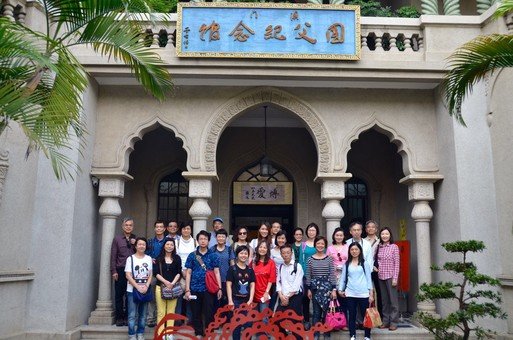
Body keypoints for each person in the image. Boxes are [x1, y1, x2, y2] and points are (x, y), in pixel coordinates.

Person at [184, 230, 222, 337]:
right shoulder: (192, 255)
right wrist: (187, 289)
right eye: (201, 239)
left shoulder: (213, 255)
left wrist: (219, 288)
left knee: (209, 313)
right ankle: (199, 333)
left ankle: (209, 333)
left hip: (208, 289)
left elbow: (217, 272)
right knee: (196, 313)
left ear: (209, 241)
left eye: (205, 239)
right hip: (194, 288)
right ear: (197, 241)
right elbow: (189, 272)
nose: (203, 241)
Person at [338, 242, 373, 340]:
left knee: (365, 316)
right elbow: (343, 278)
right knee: (352, 315)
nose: (354, 251)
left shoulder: (364, 263)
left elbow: (368, 279)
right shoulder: (347, 263)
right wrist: (340, 290)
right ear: (349, 251)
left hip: (363, 293)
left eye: (356, 249)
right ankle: (352, 335)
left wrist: (371, 294)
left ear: (360, 251)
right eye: (352, 249)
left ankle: (367, 336)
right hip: (350, 293)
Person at [306, 236, 337, 340]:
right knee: (316, 312)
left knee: (326, 312)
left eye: (322, 244)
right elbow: (308, 275)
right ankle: (316, 334)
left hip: (327, 289)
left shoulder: (329, 259)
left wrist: (333, 289)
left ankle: (327, 334)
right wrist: (309, 289)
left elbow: (332, 274)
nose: (320, 245)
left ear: (325, 246)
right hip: (315, 288)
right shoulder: (310, 259)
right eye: (318, 243)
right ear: (315, 245)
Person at [125, 237, 153, 340]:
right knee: (132, 314)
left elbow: (150, 274)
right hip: (132, 290)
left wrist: (146, 286)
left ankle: (140, 333)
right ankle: (132, 334)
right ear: (136, 246)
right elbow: (128, 275)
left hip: (145, 289)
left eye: (143, 244)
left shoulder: (148, 258)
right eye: (139, 244)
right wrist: (137, 287)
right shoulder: (130, 258)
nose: (141, 246)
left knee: (143, 314)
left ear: (146, 246)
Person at [110, 217, 136, 326]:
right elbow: (113, 256)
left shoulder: (136, 239)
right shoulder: (117, 239)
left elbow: (139, 253)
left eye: (130, 225)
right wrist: (113, 271)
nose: (128, 227)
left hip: (132, 271)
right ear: (122, 226)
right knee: (119, 295)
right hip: (120, 270)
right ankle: (119, 317)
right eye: (126, 225)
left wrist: (134, 244)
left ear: (133, 227)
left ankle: (127, 317)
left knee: (129, 295)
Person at [154, 239, 182, 339]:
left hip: (173, 288)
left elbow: (179, 272)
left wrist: (172, 283)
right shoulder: (158, 258)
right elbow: (156, 273)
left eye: (171, 244)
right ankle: (160, 333)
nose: (169, 246)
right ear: (164, 246)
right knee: (161, 312)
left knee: (171, 311)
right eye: (167, 244)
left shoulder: (177, 258)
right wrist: (166, 282)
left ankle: (169, 334)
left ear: (174, 247)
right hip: (160, 287)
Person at [227, 245, 256, 340]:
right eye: (241, 253)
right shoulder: (232, 269)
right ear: (237, 255)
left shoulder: (250, 270)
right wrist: (230, 301)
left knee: (249, 324)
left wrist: (251, 299)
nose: (243, 255)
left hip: (247, 300)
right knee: (236, 325)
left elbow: (252, 285)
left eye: (245, 253)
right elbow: (228, 285)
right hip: (236, 300)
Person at [376, 227, 400, 331]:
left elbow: (397, 263)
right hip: (381, 276)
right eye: (382, 234)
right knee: (384, 301)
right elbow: (376, 261)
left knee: (393, 301)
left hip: (390, 277)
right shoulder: (379, 247)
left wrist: (395, 278)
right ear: (380, 236)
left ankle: (393, 322)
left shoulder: (394, 247)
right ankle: (385, 321)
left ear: (390, 235)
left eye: (386, 234)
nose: (384, 236)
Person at [145, 220, 167, 327]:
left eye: (160, 227)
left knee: (165, 296)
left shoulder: (168, 241)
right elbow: (145, 254)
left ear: (164, 229)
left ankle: (163, 318)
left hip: (165, 273)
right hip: (153, 272)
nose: (158, 228)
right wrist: (150, 258)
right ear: (154, 229)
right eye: (157, 227)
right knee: (152, 296)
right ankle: (151, 318)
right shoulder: (149, 242)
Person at [326, 227, 349, 330]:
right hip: (333, 276)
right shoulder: (330, 248)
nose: (339, 237)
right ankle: (334, 322)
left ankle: (344, 323)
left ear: (343, 236)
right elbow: (327, 262)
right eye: (337, 235)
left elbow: (350, 260)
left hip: (345, 276)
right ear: (334, 236)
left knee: (344, 299)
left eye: (341, 235)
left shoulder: (347, 246)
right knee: (333, 299)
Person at [175, 222, 197, 324]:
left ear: (191, 230)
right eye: (184, 229)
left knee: (190, 298)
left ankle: (189, 320)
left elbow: (197, 259)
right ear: (181, 230)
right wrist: (181, 270)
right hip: (179, 273)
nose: (186, 230)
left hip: (192, 273)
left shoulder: (195, 242)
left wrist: (188, 271)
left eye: (188, 228)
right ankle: (177, 320)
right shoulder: (176, 242)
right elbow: (175, 258)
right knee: (178, 298)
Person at [299, 222, 319, 328]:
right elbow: (301, 261)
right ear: (307, 232)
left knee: (317, 298)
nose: (311, 232)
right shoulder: (303, 245)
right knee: (305, 298)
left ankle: (317, 321)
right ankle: (306, 320)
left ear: (317, 232)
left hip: (318, 275)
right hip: (306, 275)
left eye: (313, 230)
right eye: (310, 230)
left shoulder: (320, 244)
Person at [210, 228, 234, 311]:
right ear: (216, 238)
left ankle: (226, 322)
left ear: (226, 238)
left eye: (223, 236)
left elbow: (232, 265)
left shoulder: (229, 250)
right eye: (219, 236)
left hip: (226, 280)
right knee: (215, 303)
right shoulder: (212, 250)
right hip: (214, 281)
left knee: (226, 302)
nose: (221, 238)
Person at [252, 239, 276, 315]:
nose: (262, 249)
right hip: (253, 293)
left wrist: (266, 292)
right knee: (254, 318)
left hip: (264, 294)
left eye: (264, 247)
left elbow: (271, 279)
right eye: (260, 247)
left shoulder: (271, 262)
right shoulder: (254, 262)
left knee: (264, 317)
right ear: (257, 248)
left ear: (267, 250)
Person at [365, 220, 382, 316]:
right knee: (366, 292)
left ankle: (379, 316)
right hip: (366, 269)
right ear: (366, 229)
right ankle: (367, 316)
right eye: (368, 227)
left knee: (379, 292)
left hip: (377, 270)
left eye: (373, 227)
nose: (370, 228)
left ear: (376, 229)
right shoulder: (362, 241)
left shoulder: (380, 241)